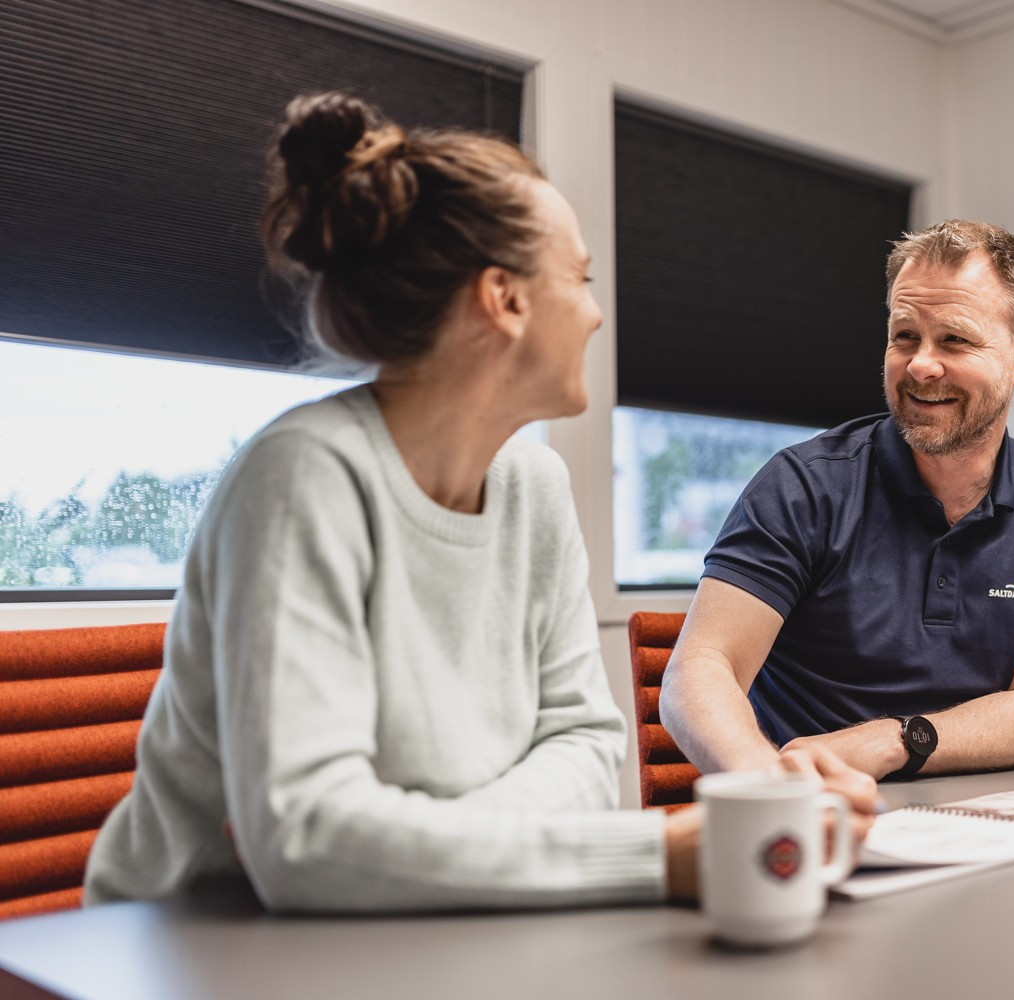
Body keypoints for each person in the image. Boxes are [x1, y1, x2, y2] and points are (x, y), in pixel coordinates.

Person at [83, 92, 867, 912]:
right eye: (582, 277)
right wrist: (644, 854)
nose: (597, 314)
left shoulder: (535, 485)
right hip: (197, 943)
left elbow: (589, 746)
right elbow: (309, 839)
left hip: (420, 921)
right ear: (507, 299)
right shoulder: (302, 477)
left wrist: (416, 847)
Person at [660, 220, 1014, 783]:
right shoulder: (804, 485)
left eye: (955, 339)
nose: (920, 364)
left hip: (995, 816)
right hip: (820, 816)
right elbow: (699, 669)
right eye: (904, 336)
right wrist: (772, 790)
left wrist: (897, 739)